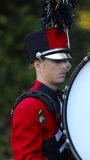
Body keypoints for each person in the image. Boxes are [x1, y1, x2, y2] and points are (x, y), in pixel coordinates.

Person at [11, 25, 75, 159]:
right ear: (38, 65)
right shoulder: (27, 107)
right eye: (57, 61)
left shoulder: (62, 99)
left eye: (65, 60)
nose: (64, 65)